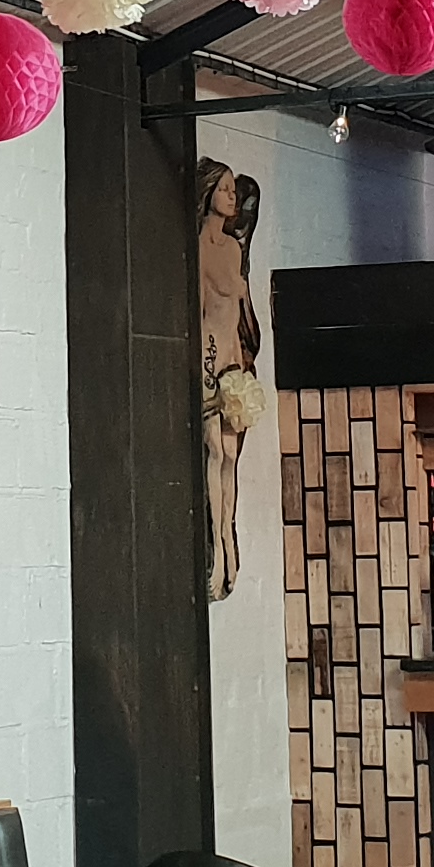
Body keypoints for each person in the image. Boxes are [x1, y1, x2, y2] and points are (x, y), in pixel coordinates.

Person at [194, 160, 264, 602]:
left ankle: (227, 542)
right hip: (208, 356)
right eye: (223, 188)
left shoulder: (235, 251)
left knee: (231, 455)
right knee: (215, 450)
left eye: (232, 189)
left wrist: (240, 367)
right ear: (207, 196)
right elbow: (201, 310)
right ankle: (216, 552)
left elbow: (239, 314)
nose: (231, 195)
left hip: (232, 359)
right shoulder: (198, 248)